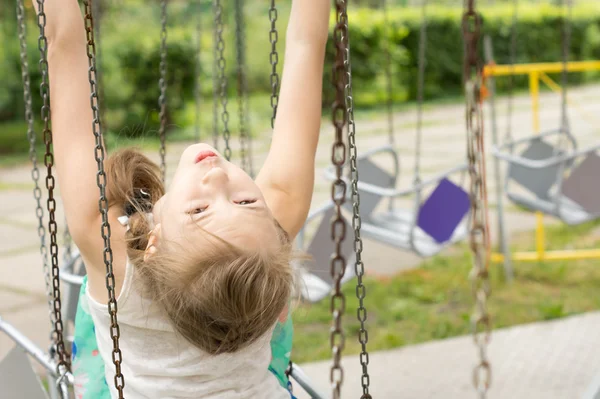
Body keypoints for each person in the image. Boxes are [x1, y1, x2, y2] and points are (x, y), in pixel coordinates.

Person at [34, 0, 330, 397]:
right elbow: (306, 47)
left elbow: (64, 45)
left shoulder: (114, 262)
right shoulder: (263, 244)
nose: (218, 177)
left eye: (199, 210)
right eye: (245, 202)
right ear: (277, 236)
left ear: (153, 244)